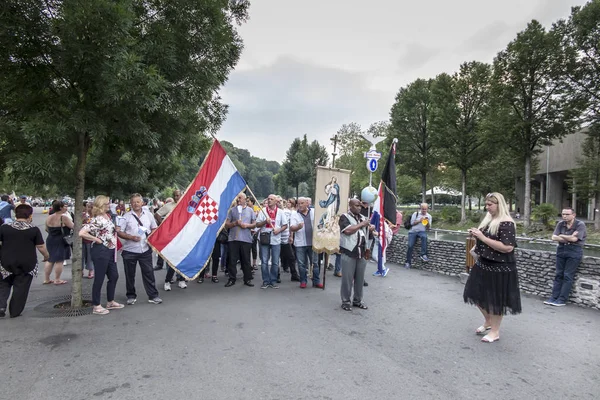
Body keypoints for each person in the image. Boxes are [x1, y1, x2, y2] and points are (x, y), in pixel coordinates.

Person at [463, 192, 521, 343]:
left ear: (499, 205)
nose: (487, 207)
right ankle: (489, 321)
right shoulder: (490, 220)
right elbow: (488, 240)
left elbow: (507, 247)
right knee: (474, 293)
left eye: (490, 204)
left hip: (500, 267)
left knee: (494, 300)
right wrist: (477, 235)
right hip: (483, 263)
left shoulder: (506, 222)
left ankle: (495, 331)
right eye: (486, 204)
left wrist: (482, 237)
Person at [0, 205, 50, 318]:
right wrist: (47, 256)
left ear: (16, 214)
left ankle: (1, 306)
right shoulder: (33, 229)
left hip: (6, 261)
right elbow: (40, 246)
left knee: (3, 284)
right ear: (30, 215)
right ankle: (15, 311)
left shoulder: (4, 228)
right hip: (27, 263)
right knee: (21, 287)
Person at [79, 196, 125, 315]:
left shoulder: (107, 216)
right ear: (101, 205)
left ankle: (110, 301)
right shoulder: (97, 219)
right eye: (106, 204)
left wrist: (116, 229)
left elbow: (107, 231)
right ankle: (96, 305)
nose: (109, 205)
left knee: (114, 275)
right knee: (99, 278)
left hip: (110, 249)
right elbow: (82, 232)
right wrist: (96, 239)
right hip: (101, 250)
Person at [117, 193, 162, 305]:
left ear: (142, 203)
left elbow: (154, 228)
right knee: (129, 275)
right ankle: (131, 296)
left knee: (149, 273)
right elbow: (120, 232)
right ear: (130, 203)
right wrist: (130, 237)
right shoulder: (126, 216)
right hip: (129, 250)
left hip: (145, 249)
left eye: (138, 201)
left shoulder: (148, 215)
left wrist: (150, 238)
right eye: (133, 202)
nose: (136, 204)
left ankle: (153, 296)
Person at [544, 207, 587, 307]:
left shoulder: (580, 224)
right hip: (561, 250)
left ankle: (562, 299)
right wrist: (568, 237)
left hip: (574, 251)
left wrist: (562, 236)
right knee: (558, 274)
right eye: (563, 214)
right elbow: (553, 237)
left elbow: (574, 240)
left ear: (573, 215)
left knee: (567, 275)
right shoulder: (560, 223)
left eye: (567, 214)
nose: (564, 216)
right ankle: (553, 297)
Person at [339, 199, 376, 311]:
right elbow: (348, 231)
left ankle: (357, 300)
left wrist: (370, 229)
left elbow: (364, 233)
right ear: (350, 206)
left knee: (360, 279)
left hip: (362, 252)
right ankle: (345, 301)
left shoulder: (363, 218)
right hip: (349, 251)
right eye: (356, 205)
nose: (359, 208)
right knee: (347, 279)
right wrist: (362, 224)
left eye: (360, 206)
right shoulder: (344, 217)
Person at [224, 193, 256, 287]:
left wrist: (247, 225)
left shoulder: (250, 210)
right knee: (232, 260)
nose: (238, 200)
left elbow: (254, 224)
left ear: (245, 199)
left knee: (245, 260)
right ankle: (231, 278)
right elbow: (227, 224)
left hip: (246, 239)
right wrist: (235, 223)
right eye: (237, 198)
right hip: (233, 238)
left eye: (240, 198)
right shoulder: (232, 210)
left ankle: (247, 279)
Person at [256, 194, 288, 289]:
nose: (269, 200)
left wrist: (279, 230)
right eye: (268, 199)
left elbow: (285, 225)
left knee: (275, 261)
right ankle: (266, 280)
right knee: (264, 261)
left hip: (276, 238)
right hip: (265, 237)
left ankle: (273, 280)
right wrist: (265, 222)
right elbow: (257, 224)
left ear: (276, 201)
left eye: (271, 199)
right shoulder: (263, 211)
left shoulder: (281, 212)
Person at [290, 197, 322, 288]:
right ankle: (303, 281)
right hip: (300, 243)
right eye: (298, 203)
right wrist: (298, 227)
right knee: (301, 263)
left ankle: (316, 281)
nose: (300, 205)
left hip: (313, 242)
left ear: (307, 204)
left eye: (302, 203)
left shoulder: (314, 212)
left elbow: (320, 223)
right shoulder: (294, 214)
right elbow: (291, 228)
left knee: (315, 263)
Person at [43, 200, 74, 285]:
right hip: (61, 240)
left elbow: (46, 229)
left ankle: (47, 279)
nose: (66, 207)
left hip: (50, 239)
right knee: (59, 260)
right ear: (60, 207)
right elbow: (74, 227)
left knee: (50, 259)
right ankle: (57, 279)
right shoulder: (64, 218)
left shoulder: (49, 217)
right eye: (65, 206)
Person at [405, 203, 432, 269]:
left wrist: (427, 222)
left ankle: (423, 254)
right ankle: (408, 262)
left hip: (422, 231)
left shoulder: (429, 216)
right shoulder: (415, 214)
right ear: (420, 208)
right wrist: (419, 221)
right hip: (413, 231)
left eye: (425, 209)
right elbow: (412, 223)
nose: (424, 211)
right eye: (423, 209)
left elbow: (428, 228)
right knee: (410, 245)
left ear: (427, 209)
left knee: (424, 237)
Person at [81, 201, 95, 279]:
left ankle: (91, 270)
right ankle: (80, 270)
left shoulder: (96, 217)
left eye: (91, 207)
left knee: (90, 256)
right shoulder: (83, 215)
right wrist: (83, 219)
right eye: (88, 207)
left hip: (91, 238)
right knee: (81, 255)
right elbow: (76, 224)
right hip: (82, 238)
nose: (89, 209)